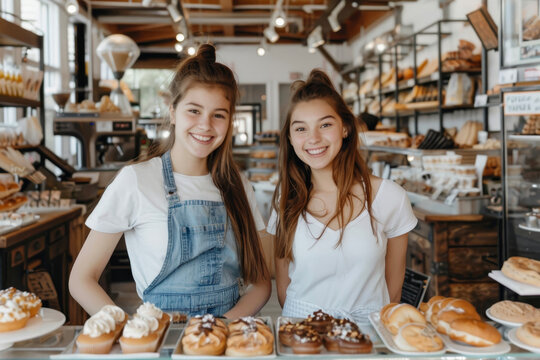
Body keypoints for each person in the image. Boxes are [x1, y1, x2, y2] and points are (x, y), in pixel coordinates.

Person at [69, 44, 271, 318]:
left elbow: (260, 282)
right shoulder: (136, 180)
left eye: (218, 115)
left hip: (228, 341)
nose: (206, 125)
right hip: (161, 340)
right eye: (194, 110)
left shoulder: (237, 185)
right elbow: (82, 279)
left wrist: (220, 329)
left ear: (230, 121)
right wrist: (130, 330)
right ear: (173, 111)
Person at [268, 69, 417, 323]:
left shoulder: (389, 197)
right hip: (303, 335)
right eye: (301, 129)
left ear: (345, 127)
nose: (313, 138)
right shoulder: (286, 198)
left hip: (368, 335)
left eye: (325, 125)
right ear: (291, 139)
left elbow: (394, 286)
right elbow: (283, 283)